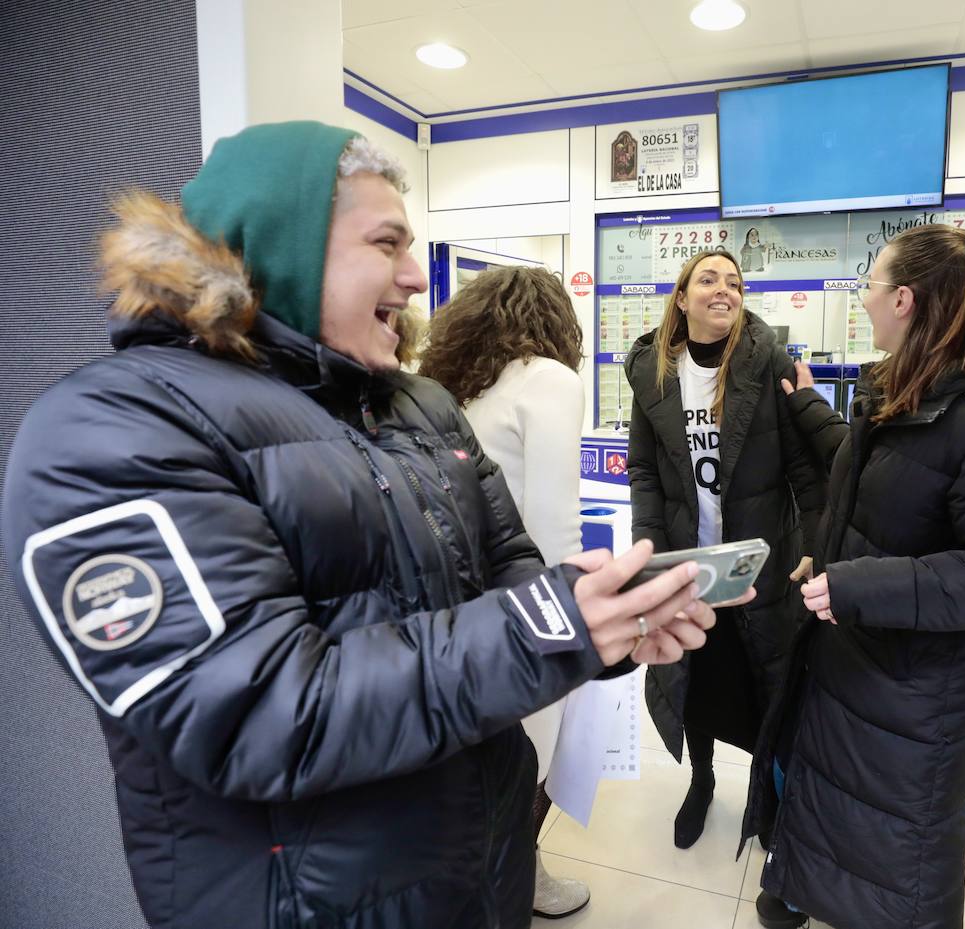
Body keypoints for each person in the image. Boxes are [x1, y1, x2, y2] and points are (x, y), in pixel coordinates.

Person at [0, 121, 724, 929]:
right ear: (285, 244)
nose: (417, 276)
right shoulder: (116, 429)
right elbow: (263, 711)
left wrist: (609, 622)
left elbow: (513, 567)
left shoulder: (419, 404)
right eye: (388, 244)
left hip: (480, 879)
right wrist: (555, 628)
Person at [740, 225, 965, 929]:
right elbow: (882, 506)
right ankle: (794, 885)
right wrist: (823, 558)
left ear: (907, 300)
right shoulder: (907, 396)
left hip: (914, 691)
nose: (864, 300)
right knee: (822, 791)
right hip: (857, 663)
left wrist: (861, 586)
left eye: (871, 286)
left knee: (898, 854)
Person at [624, 249, 826, 850]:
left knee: (766, 684)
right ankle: (702, 779)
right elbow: (643, 470)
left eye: (734, 282)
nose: (724, 290)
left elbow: (803, 467)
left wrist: (814, 542)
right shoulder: (653, 371)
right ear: (681, 297)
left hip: (762, 561)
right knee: (696, 679)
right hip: (691, 563)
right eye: (707, 279)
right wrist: (650, 549)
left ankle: (766, 793)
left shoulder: (766, 362)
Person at [420, 265, 590, 919]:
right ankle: (512, 883)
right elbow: (553, 521)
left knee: (474, 759)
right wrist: (578, 621)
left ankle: (508, 874)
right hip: (524, 604)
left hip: (449, 605)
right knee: (528, 761)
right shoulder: (551, 379)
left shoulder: (447, 384)